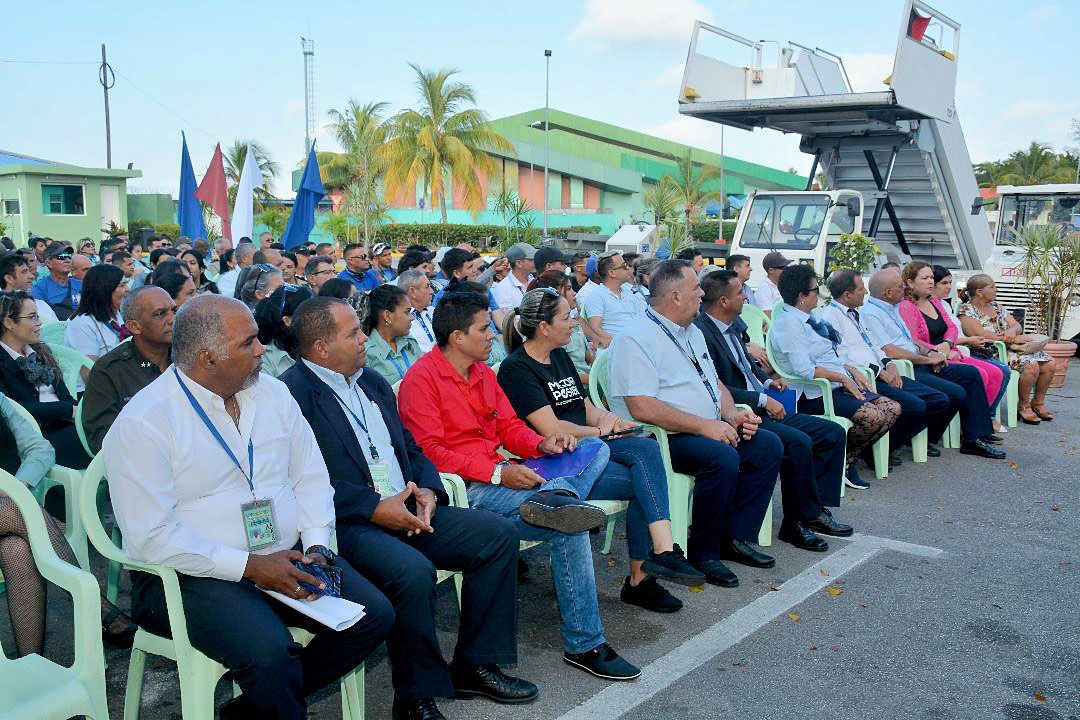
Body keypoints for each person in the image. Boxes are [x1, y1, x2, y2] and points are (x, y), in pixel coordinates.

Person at [102, 295, 393, 720]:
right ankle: (276, 700)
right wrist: (250, 567)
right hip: (186, 575)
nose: (262, 350)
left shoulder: (272, 394)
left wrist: (317, 546)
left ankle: (250, 711)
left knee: (374, 615)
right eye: (249, 343)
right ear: (208, 358)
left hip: (287, 555)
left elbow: (310, 477)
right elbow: (151, 538)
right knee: (271, 651)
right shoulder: (146, 420)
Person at [282, 298, 536, 719]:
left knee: (495, 535)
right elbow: (299, 483)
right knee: (412, 572)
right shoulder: (293, 395)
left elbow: (411, 448)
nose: (365, 338)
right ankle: (414, 696)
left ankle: (475, 665)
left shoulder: (372, 381)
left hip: (409, 507)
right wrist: (374, 507)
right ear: (322, 347)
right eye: (353, 333)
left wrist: (430, 491)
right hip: (348, 522)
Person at [399, 292, 642, 682]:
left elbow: (509, 426)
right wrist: (497, 474)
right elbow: (429, 454)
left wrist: (541, 443)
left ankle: (558, 496)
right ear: (458, 337)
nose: (493, 335)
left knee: (592, 449)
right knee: (568, 519)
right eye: (484, 329)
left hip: (508, 474)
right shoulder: (421, 379)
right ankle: (587, 642)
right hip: (467, 489)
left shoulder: (482, 373)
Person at [499, 288, 705, 612]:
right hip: (557, 459)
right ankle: (653, 564)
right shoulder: (517, 369)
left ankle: (648, 571)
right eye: (567, 318)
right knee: (645, 466)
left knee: (645, 459)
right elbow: (551, 429)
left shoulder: (559, 355)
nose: (575, 324)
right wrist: (599, 430)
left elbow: (582, 404)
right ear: (544, 327)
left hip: (589, 450)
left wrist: (609, 418)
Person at [607, 260, 784, 587]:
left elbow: (714, 383)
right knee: (721, 456)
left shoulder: (691, 331)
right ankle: (705, 552)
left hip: (704, 426)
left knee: (767, 445)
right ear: (675, 296)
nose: (703, 293)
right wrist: (705, 426)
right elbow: (642, 407)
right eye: (695, 288)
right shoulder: (636, 338)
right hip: (660, 438)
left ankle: (735, 537)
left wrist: (732, 414)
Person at [695, 270, 853, 549]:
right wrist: (762, 399)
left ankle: (814, 510)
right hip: (741, 411)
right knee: (798, 442)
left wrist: (768, 380)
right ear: (722, 301)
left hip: (760, 401)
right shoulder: (703, 333)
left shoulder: (734, 324)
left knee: (831, 432)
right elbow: (716, 387)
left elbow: (747, 365)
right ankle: (796, 522)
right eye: (740, 293)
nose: (746, 296)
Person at [0, 392, 137, 656]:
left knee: (15, 550)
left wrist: (16, 488)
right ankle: (98, 607)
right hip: (11, 507)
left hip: (7, 504)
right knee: (21, 511)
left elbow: (39, 449)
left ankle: (32, 664)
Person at [768, 264, 901, 489]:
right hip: (815, 393)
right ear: (802, 295)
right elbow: (804, 370)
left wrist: (851, 369)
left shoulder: (810, 317)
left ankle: (846, 459)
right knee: (874, 416)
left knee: (892, 408)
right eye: (815, 290)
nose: (818, 293)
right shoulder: (789, 324)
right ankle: (843, 462)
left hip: (836, 383)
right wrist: (843, 378)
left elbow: (834, 353)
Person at [860, 268, 1005, 460]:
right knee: (952, 394)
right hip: (905, 366)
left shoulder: (893, 307)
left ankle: (974, 437)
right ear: (888, 293)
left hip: (920, 359)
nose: (904, 288)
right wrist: (929, 358)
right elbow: (889, 350)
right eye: (900, 286)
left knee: (971, 375)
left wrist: (934, 353)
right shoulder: (872, 313)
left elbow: (911, 341)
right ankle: (914, 438)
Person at [821, 269, 950, 463]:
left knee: (937, 399)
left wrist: (889, 364)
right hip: (866, 378)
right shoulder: (831, 317)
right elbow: (844, 357)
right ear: (847, 295)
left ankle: (887, 446)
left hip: (881, 371)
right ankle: (876, 450)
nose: (865, 292)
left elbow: (873, 344)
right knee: (915, 406)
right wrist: (880, 371)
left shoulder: (855, 313)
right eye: (861, 288)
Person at [898, 262, 1006, 418]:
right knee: (978, 373)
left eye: (931, 277)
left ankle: (985, 419)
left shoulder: (934, 302)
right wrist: (940, 352)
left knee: (996, 372)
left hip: (949, 351)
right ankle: (975, 426)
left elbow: (952, 328)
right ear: (910, 282)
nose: (930, 281)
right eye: (925, 278)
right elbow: (913, 340)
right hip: (929, 359)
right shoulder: (907, 306)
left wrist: (948, 345)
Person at [0, 292, 91, 469]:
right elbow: (10, 409)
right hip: (32, 436)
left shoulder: (40, 352)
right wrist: (66, 410)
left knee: (109, 430)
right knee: (99, 440)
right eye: (32, 317)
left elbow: (64, 394)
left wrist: (75, 413)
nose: (39, 322)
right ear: (9, 322)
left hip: (62, 424)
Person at [82, 286, 175, 454]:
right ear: (134, 326)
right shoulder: (110, 370)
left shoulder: (187, 358)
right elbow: (101, 439)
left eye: (173, 310)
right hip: (142, 460)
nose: (172, 319)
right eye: (160, 314)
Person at [956, 274, 1055, 424]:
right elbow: (980, 335)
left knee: (1050, 363)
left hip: (1010, 349)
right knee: (1031, 365)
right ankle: (1024, 405)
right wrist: (1012, 338)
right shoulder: (966, 310)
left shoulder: (996, 306)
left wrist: (1011, 331)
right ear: (979, 291)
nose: (996, 289)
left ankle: (1038, 403)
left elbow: (1017, 325)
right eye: (992, 286)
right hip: (990, 352)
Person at [528, 271, 593, 380]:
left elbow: (588, 358)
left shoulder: (574, 324)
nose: (574, 293)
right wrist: (594, 380)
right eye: (568, 289)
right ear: (553, 296)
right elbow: (561, 375)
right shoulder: (553, 331)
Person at [65, 264, 129, 362]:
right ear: (104, 289)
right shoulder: (82, 324)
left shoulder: (117, 314)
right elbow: (88, 370)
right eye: (122, 285)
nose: (128, 289)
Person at [361, 284, 422, 386]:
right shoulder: (366, 352)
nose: (412, 317)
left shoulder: (409, 342)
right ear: (387, 315)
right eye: (407, 312)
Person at [583, 251, 646, 348]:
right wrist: (620, 344)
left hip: (638, 346)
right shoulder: (597, 296)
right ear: (612, 273)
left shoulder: (632, 293)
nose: (628, 268)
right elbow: (595, 328)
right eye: (624, 266)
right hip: (615, 350)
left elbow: (644, 320)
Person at [254, 284, 312, 378]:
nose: (317, 319)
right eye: (309, 315)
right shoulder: (265, 357)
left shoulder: (317, 343)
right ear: (287, 320)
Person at [0, 252, 58, 324]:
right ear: (9, 278)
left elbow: (59, 331)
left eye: (29, 271)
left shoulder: (41, 305)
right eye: (24, 272)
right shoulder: (2, 309)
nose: (32, 276)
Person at [31, 242, 81, 320]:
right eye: (61, 257)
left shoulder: (81, 285)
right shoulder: (39, 289)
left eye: (69, 256)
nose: (67, 260)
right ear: (49, 263)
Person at [399, 269, 437, 354]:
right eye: (427, 287)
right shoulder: (400, 321)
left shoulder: (436, 312)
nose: (432, 292)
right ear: (413, 292)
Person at [491, 243, 535, 311]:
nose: (535, 262)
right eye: (531, 260)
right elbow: (508, 319)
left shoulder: (534, 281)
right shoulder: (502, 289)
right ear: (519, 263)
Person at [752, 251, 789, 316]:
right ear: (770, 270)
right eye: (783, 267)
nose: (786, 270)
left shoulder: (784, 284)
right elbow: (768, 315)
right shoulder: (764, 287)